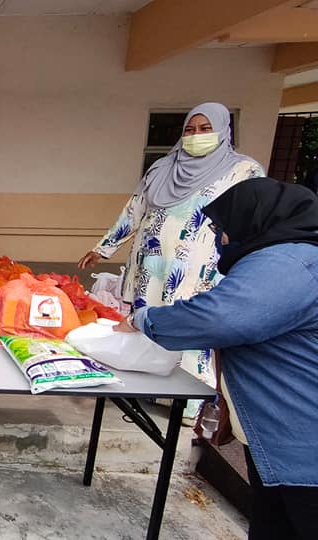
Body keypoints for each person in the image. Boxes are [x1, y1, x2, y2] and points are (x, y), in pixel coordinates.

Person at [116, 177, 318, 540]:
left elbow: (220, 317)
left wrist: (142, 319)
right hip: (280, 444)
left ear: (251, 219)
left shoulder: (287, 262)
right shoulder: (288, 257)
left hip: (305, 451)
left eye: (221, 228)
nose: (220, 239)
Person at [78, 102, 263, 419]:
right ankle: (145, 388)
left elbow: (252, 219)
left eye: (205, 130)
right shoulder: (163, 168)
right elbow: (134, 211)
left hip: (197, 270)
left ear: (222, 131)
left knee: (191, 325)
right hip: (150, 266)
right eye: (190, 130)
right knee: (148, 323)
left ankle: (190, 400)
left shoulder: (243, 171)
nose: (196, 136)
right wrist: (104, 247)